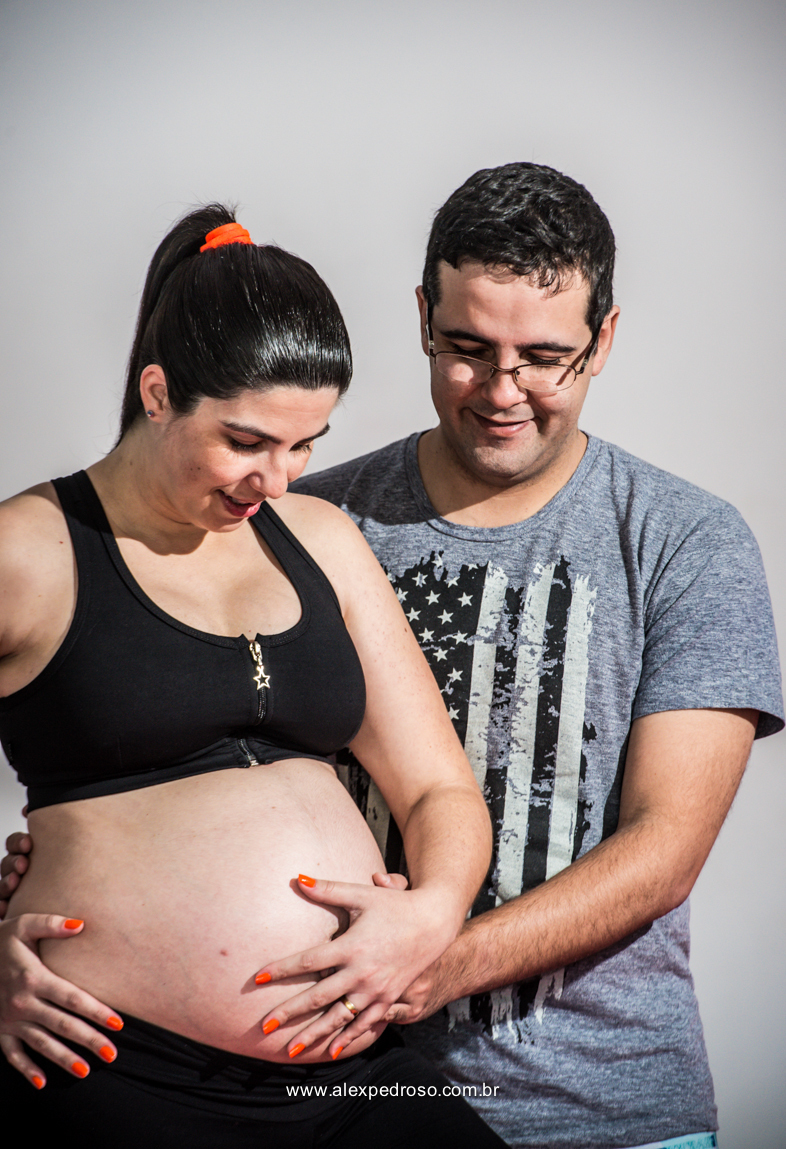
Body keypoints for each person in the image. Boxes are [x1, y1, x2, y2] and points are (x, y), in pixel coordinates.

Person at [3, 164, 784, 1147]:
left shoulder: (682, 538)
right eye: (467, 347)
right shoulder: (297, 511)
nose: (504, 390)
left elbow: (661, 849)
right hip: (314, 1068)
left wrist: (423, 951)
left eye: (546, 356)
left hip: (599, 1096)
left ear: (606, 340)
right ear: (422, 318)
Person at [0, 205, 505, 1148]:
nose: (277, 478)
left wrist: (432, 912)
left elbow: (438, 785)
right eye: (245, 441)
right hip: (116, 1066)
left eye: (305, 442)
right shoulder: (27, 550)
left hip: (358, 1074)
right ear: (157, 393)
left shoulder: (321, 538)